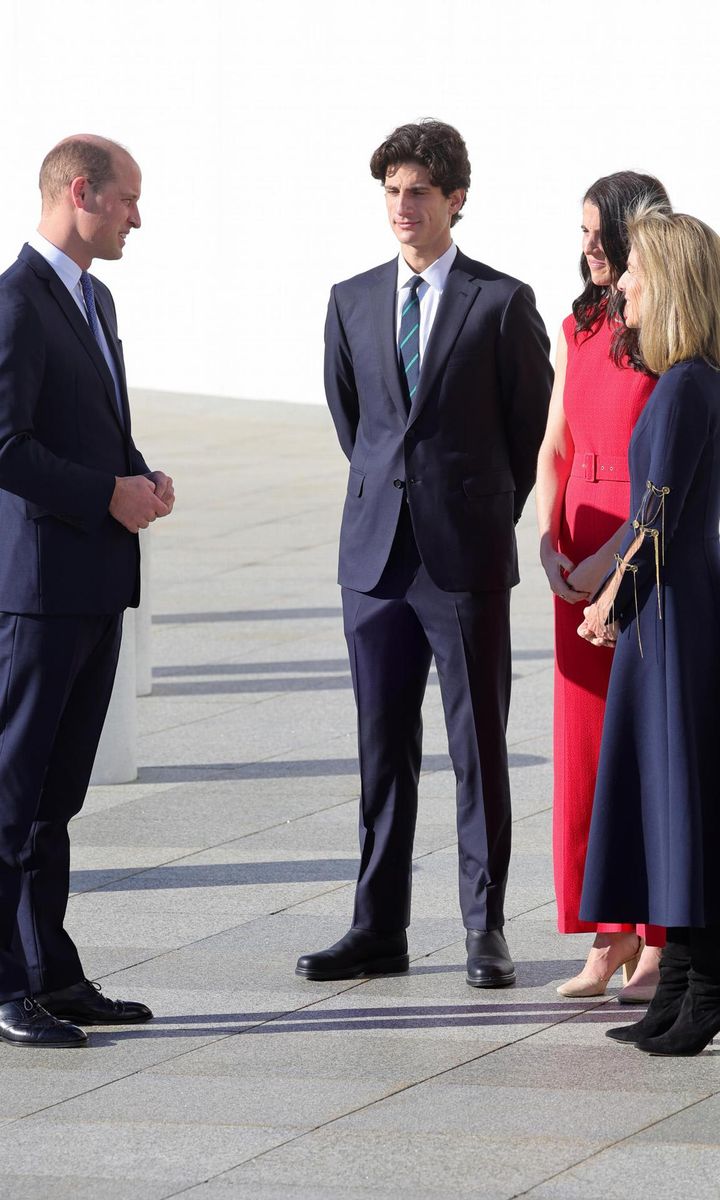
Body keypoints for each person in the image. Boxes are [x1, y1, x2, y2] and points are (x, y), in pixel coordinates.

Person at [296, 119, 552, 987]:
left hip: (463, 559)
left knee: (478, 747)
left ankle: (485, 929)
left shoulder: (502, 301)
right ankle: (378, 929)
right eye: (391, 192)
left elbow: (526, 435)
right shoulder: (350, 298)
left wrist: (478, 512)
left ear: (456, 200)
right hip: (373, 564)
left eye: (418, 192)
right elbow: (355, 423)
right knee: (381, 751)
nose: (402, 207)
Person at [0, 135, 175, 1048]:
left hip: (94, 581)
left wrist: (138, 476)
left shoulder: (93, 297)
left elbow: (94, 426)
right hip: (35, 592)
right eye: (126, 200)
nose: (136, 217)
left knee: (56, 798)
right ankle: (7, 986)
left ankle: (52, 976)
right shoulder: (16, 304)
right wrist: (103, 494)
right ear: (81, 193)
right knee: (11, 793)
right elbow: (4, 446)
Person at [578, 208, 720, 1055]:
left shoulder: (684, 387)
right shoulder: (692, 381)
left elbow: (656, 520)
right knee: (670, 801)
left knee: (682, 799)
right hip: (669, 614)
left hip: (672, 617)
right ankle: (678, 985)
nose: (620, 282)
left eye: (633, 271)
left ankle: (703, 987)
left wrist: (610, 605)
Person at [536, 173, 670, 1001]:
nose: (588, 247)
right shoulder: (579, 323)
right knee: (584, 750)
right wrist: (550, 539)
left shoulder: (666, 326)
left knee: (646, 747)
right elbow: (556, 439)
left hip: (640, 548)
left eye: (601, 234)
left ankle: (660, 937)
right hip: (576, 544)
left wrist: (609, 566)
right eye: (581, 232)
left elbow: (666, 471)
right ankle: (606, 931)